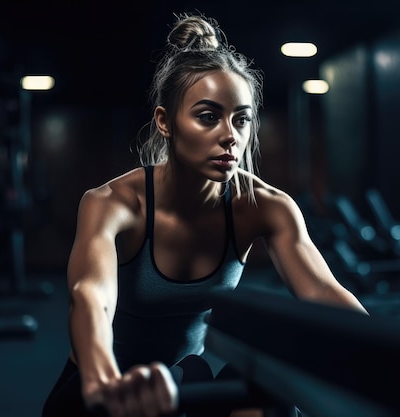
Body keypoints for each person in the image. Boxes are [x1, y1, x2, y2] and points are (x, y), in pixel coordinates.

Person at [42, 11, 368, 417]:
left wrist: (389, 357)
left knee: (268, 392)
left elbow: (323, 292)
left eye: (242, 119)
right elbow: (90, 296)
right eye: (209, 116)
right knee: (178, 381)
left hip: (179, 385)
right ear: (165, 121)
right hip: (102, 382)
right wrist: (102, 379)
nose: (230, 135)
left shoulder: (266, 206)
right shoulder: (112, 203)